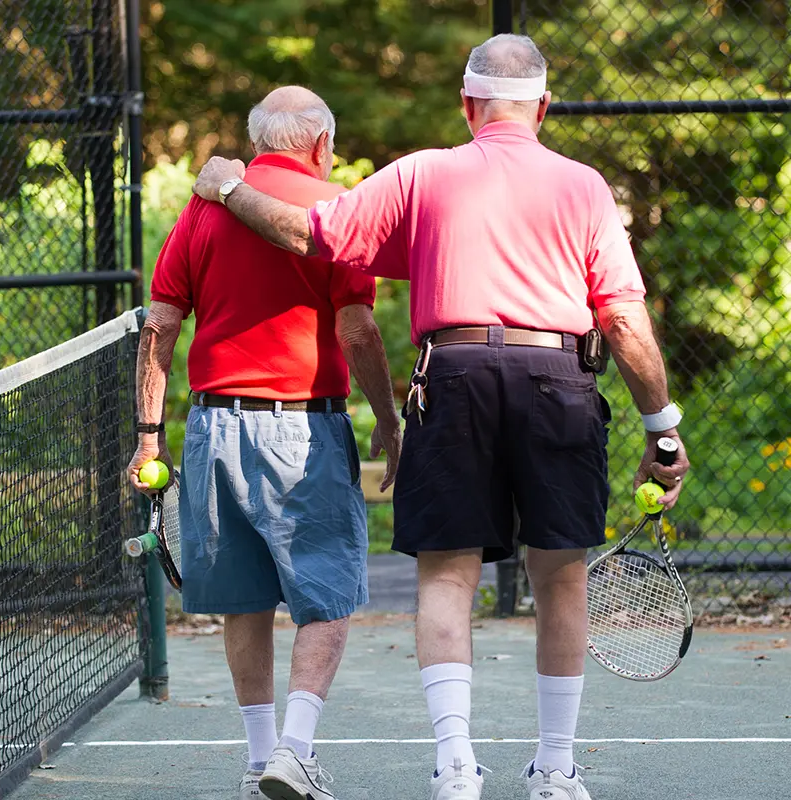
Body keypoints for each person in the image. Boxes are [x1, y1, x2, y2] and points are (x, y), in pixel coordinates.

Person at [190, 35, 691, 800]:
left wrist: (226, 188)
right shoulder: (585, 186)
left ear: (466, 106)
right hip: (559, 377)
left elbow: (306, 233)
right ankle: (555, 771)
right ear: (544, 107)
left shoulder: (423, 173)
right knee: (561, 577)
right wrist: (663, 426)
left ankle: (456, 766)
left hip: (450, 376)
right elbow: (622, 320)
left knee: (446, 579)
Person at [127, 86, 401, 800]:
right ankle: (295, 752)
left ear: (257, 142)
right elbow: (358, 330)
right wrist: (389, 418)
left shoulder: (204, 207)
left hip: (213, 427)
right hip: (305, 426)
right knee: (330, 596)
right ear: (320, 145)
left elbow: (159, 327)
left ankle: (258, 763)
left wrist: (149, 438)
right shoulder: (337, 209)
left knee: (245, 601)